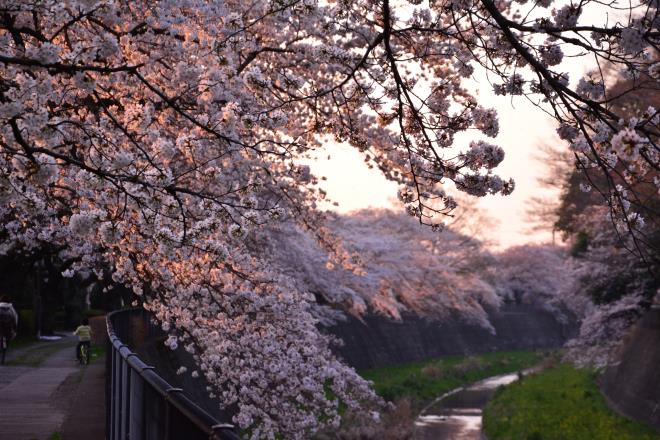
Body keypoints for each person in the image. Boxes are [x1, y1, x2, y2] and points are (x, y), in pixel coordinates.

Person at [0, 295, 19, 365]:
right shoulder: (11, 308)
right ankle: (4, 350)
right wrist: (15, 329)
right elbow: (15, 318)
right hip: (7, 328)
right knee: (8, 338)